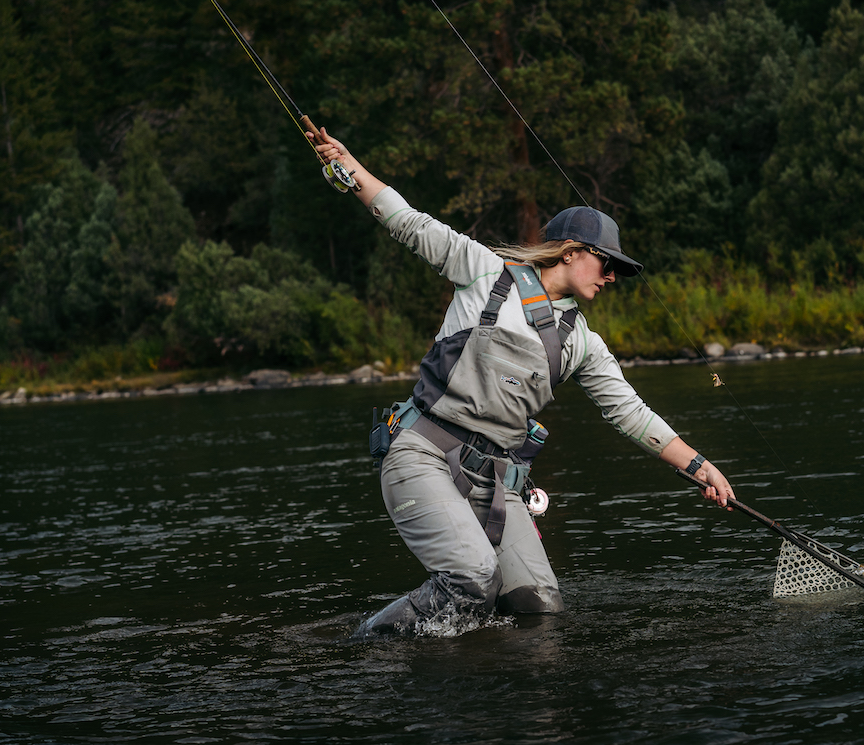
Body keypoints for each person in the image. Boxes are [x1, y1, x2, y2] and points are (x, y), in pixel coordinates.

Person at [308, 128, 734, 638]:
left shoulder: (584, 344)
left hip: (495, 483)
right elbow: (407, 222)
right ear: (572, 252)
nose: (613, 276)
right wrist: (350, 168)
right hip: (419, 456)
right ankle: (362, 649)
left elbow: (631, 413)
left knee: (539, 607)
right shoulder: (483, 271)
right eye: (608, 263)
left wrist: (699, 466)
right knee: (471, 580)